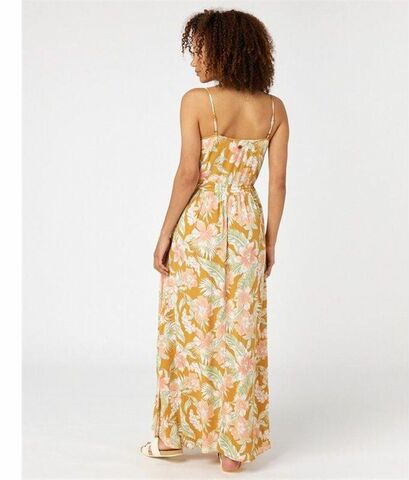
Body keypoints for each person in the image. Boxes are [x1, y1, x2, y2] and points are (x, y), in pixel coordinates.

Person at [140, 8, 289, 473]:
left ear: (224, 51)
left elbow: (189, 174)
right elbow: (278, 183)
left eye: (200, 51)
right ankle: (233, 448)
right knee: (239, 333)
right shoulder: (274, 110)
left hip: (199, 225)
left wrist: (164, 234)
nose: (194, 62)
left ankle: (176, 437)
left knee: (191, 329)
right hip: (247, 225)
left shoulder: (196, 102)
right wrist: (269, 241)